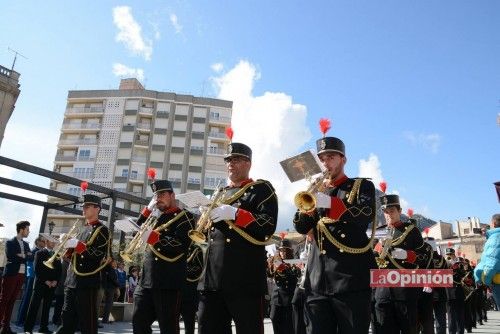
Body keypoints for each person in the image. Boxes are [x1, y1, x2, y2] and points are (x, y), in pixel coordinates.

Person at [293, 120, 377, 334]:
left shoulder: (361, 186)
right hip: (317, 281)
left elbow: (364, 216)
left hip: (350, 280)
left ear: (343, 159)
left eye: (330, 157)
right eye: (321, 158)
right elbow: (302, 227)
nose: (325, 162)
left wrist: (330, 203)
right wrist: (307, 209)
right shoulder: (316, 190)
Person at [197, 136, 278, 334]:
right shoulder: (220, 192)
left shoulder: (261, 189)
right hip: (213, 279)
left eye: (236, 159)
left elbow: (268, 225)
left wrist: (236, 214)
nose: (230, 164)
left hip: (245, 279)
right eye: (228, 160)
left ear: (248, 163)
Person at [132, 179, 195, 334]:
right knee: (138, 323)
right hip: (146, 281)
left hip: (168, 281)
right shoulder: (155, 217)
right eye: (156, 195)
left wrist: (155, 239)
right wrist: (147, 210)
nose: (158, 198)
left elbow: (182, 244)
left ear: (172, 195)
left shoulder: (184, 216)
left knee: (168, 327)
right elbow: (136, 231)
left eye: (162, 194)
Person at [373, 195, 433, 334]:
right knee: (384, 328)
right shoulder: (379, 233)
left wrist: (408, 255)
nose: (389, 215)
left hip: (405, 290)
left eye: (392, 211)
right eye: (386, 212)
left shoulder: (411, 230)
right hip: (383, 290)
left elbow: (425, 257)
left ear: (400, 211)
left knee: (409, 328)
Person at [55, 194, 111, 334]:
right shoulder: (81, 229)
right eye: (83, 206)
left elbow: (100, 255)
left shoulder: (102, 230)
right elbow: (72, 255)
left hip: (87, 282)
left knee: (88, 323)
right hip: (72, 280)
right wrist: (67, 249)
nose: (84, 209)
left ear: (97, 208)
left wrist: (79, 246)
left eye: (87, 206)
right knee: (67, 319)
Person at [24, 234, 62, 334]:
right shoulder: (39, 253)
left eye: (54, 241)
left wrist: (55, 281)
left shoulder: (57, 255)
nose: (54, 243)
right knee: (34, 306)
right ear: (46, 242)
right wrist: (46, 281)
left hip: (51, 285)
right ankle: (28, 329)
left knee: (47, 307)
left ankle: (43, 328)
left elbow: (59, 270)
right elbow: (37, 269)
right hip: (40, 284)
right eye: (52, 241)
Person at [0, 221, 33, 334]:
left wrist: (21, 255)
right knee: (4, 301)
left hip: (21, 276)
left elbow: (31, 257)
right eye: (27, 229)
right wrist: (24, 256)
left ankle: (5, 328)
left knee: (12, 301)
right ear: (21, 229)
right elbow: (11, 256)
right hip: (11, 274)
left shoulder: (27, 244)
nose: (29, 231)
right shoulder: (10, 242)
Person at [268, 239, 301, 334]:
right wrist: (270, 265)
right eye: (281, 250)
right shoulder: (276, 261)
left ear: (289, 251)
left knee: (288, 325)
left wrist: (283, 269)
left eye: (285, 250)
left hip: (288, 297)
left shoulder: (294, 263)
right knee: (274, 318)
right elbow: (270, 275)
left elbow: (295, 275)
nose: (282, 252)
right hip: (276, 297)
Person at [16, 235, 45, 327]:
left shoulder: (40, 252)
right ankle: (20, 321)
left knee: (31, 300)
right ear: (37, 242)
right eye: (42, 241)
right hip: (31, 277)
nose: (44, 243)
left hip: (35, 277)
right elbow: (29, 263)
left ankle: (26, 320)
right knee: (27, 299)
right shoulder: (33, 251)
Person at [474, 213, 500, 308]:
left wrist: (486, 280)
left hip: (498, 283)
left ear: (493, 223)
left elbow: (492, 264)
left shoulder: (496, 238)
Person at [179, 244, 203, 334]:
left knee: (189, 326)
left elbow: (198, 270)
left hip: (190, 293)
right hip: (174, 290)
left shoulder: (196, 250)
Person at [446, 248, 466, 334]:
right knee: (450, 315)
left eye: (451, 254)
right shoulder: (444, 263)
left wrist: (456, 268)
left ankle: (460, 331)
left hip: (458, 291)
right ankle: (452, 332)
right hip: (449, 292)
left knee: (460, 314)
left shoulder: (459, 263)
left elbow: (463, 275)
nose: (449, 256)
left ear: (454, 254)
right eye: (448, 255)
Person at [100, 258, 119, 324]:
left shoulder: (105, 268)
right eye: (114, 262)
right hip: (110, 288)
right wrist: (118, 286)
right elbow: (113, 279)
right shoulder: (110, 269)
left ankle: (106, 318)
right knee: (109, 304)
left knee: (108, 304)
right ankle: (105, 319)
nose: (116, 264)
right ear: (111, 262)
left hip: (107, 288)